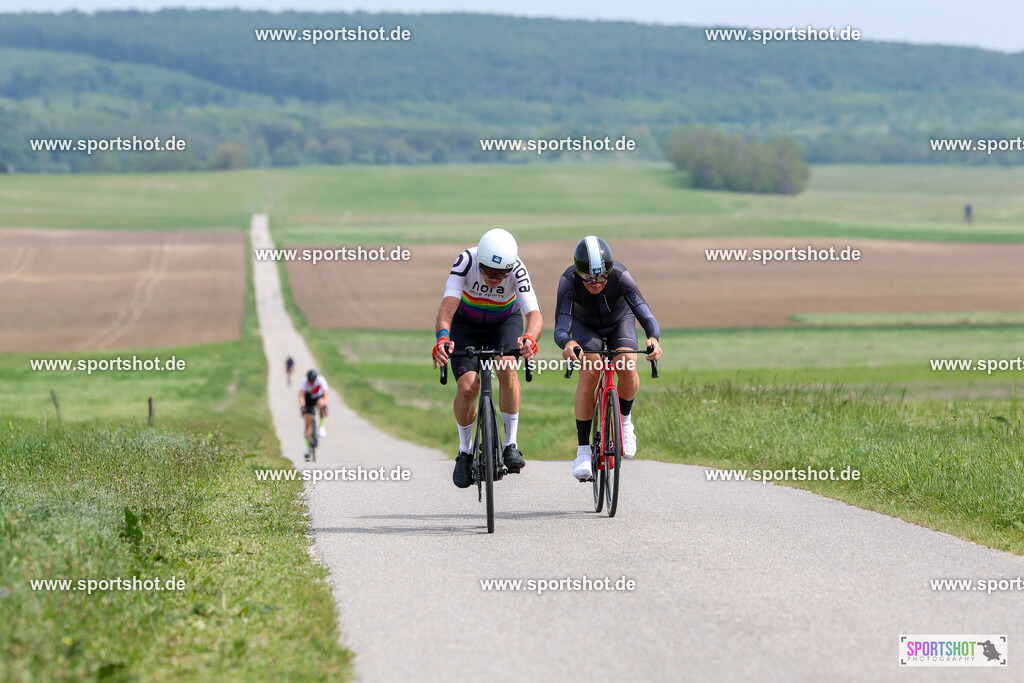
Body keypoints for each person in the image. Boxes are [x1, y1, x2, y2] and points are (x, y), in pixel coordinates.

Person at [432, 228, 543, 488]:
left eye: (501, 273)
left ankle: (510, 444)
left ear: (510, 268)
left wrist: (529, 339)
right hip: (466, 325)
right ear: (479, 262)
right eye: (489, 271)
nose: (495, 278)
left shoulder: (517, 268)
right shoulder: (466, 261)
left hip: (504, 323)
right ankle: (465, 452)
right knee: (467, 388)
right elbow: (447, 308)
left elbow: (534, 315)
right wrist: (443, 338)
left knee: (507, 368)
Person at [554, 236, 663, 481]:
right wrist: (568, 343)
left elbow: (646, 314)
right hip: (585, 326)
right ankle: (583, 452)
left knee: (627, 364)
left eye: (602, 276)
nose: (597, 283)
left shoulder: (621, 276)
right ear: (579, 273)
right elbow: (561, 327)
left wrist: (653, 338)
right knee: (589, 371)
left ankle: (625, 422)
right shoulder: (569, 282)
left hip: (619, 322)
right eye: (590, 278)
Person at [298, 368, 329, 460]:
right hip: (308, 399)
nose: (311, 383)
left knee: (322, 404)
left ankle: (322, 427)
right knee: (307, 424)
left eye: (313, 381)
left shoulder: (321, 380)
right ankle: (307, 448)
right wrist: (302, 406)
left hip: (318, 397)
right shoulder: (304, 381)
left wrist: (325, 405)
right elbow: (301, 396)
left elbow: (326, 395)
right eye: (310, 381)